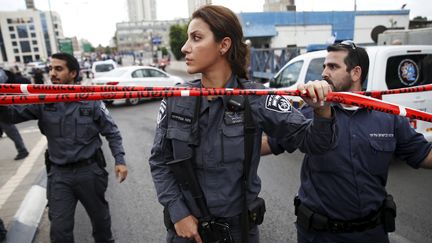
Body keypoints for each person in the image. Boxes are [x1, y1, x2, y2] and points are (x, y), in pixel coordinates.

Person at [149, 5, 336, 243]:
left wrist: (321, 110)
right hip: (187, 232)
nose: (185, 47)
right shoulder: (177, 99)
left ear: (223, 45)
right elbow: (159, 161)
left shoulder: (256, 97)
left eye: (196, 38)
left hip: (238, 233)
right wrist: (178, 213)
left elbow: (316, 143)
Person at [262, 41, 432, 243]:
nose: (324, 72)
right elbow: (270, 144)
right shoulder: (310, 111)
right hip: (319, 235)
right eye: (324, 66)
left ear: (356, 73)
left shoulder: (389, 117)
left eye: (333, 67)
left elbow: (424, 156)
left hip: (372, 234)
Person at [0, 53, 128, 243]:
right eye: (51, 69)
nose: (52, 73)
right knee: (59, 232)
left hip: (90, 173)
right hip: (60, 176)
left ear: (73, 73)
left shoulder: (90, 99)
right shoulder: (43, 100)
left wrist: (120, 160)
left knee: (101, 226)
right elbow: (12, 115)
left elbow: (112, 131)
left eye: (58, 69)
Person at [0, 70, 29, 160]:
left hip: (3, 107)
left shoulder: (1, 73)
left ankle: (22, 150)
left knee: (10, 130)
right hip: (3, 106)